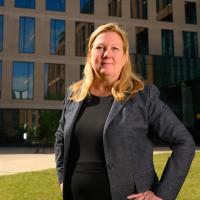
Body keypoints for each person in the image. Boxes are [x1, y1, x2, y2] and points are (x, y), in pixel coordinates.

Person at [54, 23, 195, 200]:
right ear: (90, 54)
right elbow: (60, 138)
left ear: (124, 57)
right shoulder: (74, 94)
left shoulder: (144, 97)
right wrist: (62, 178)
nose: (107, 54)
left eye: (115, 48)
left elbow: (184, 142)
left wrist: (162, 195)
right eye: (100, 47)